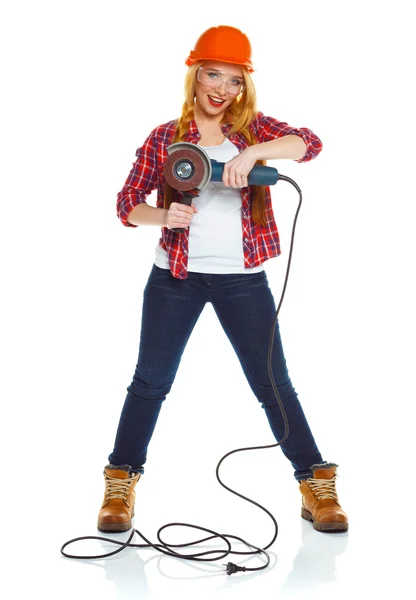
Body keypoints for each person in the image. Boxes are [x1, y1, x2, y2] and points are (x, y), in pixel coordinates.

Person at [97, 25, 348, 535]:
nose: (222, 89)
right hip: (176, 278)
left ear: (243, 88)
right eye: (214, 74)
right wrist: (162, 216)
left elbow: (312, 144)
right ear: (195, 75)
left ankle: (315, 483)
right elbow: (127, 204)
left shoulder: (255, 130)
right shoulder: (165, 137)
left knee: (274, 384)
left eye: (234, 81)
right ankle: (120, 483)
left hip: (242, 280)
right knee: (150, 383)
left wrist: (254, 153)